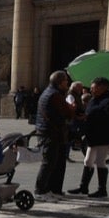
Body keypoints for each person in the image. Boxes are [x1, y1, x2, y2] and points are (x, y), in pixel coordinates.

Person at [72, 77, 109, 198]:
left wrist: (90, 116)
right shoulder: (94, 99)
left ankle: (102, 189)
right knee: (88, 160)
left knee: (100, 161)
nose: (91, 90)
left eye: (93, 87)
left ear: (102, 87)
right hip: (92, 136)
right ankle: (83, 186)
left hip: (103, 136)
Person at [33, 70, 74, 198]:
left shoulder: (48, 92)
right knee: (49, 162)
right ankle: (41, 190)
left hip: (49, 131)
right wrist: (72, 108)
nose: (67, 83)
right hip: (51, 132)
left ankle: (52, 189)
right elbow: (67, 113)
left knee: (55, 161)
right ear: (60, 82)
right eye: (66, 81)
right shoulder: (55, 95)